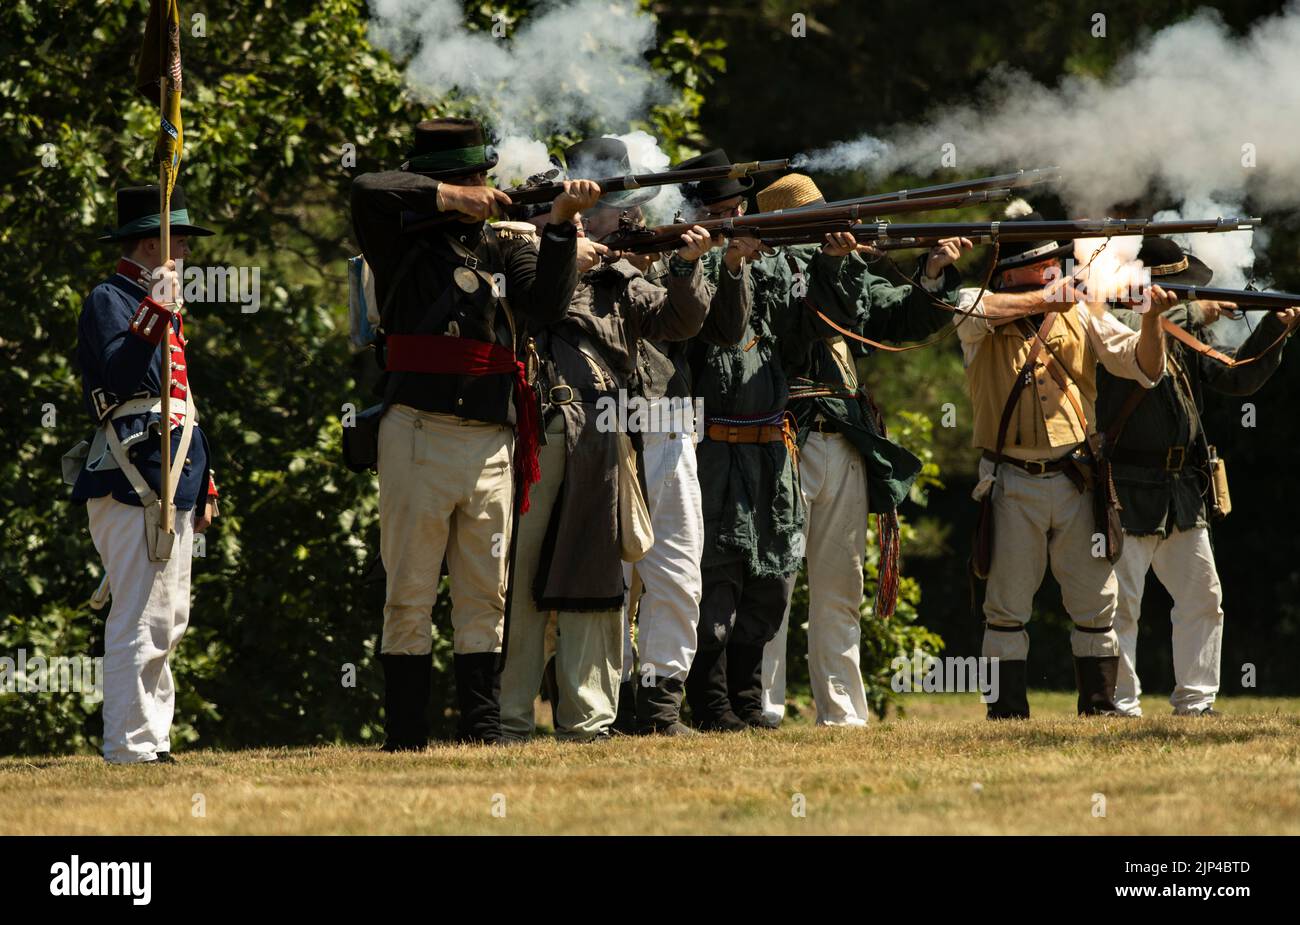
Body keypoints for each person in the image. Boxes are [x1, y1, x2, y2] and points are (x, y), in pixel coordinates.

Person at [351, 118, 597, 748]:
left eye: (481, 179)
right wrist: (450, 199)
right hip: (418, 431)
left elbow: (545, 306)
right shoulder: (399, 239)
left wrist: (564, 223)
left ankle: (483, 733)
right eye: (468, 180)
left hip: (491, 438)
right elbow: (369, 187)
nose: (481, 188)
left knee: (485, 595)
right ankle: (405, 736)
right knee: (408, 591)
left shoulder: (500, 246)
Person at [498, 136, 751, 741]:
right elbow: (541, 303)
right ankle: (508, 718)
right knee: (527, 579)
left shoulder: (618, 267)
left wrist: (691, 266)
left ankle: (596, 716)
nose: (632, 213)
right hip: (551, 429)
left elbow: (682, 322)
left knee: (603, 579)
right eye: (618, 200)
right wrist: (569, 248)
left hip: (615, 434)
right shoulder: (529, 253)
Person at [754, 173, 966, 727]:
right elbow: (800, 329)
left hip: (843, 438)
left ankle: (843, 712)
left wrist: (933, 272)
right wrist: (828, 265)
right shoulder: (767, 271)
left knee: (841, 584)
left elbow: (900, 317)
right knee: (774, 579)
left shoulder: (846, 267)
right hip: (786, 436)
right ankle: (762, 707)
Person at [953, 200, 1176, 718]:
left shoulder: (1081, 311)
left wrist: (1152, 321)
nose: (1061, 266)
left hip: (1076, 479)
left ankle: (1098, 708)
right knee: (1005, 608)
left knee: (1097, 603)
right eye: (1049, 261)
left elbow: (1143, 370)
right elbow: (968, 309)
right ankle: (1005, 713)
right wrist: (1043, 300)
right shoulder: (981, 307)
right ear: (1023, 270)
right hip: (1011, 479)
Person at [1097, 237, 1300, 716]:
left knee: (1204, 597)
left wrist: (1275, 326)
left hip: (1181, 490)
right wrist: (1197, 313)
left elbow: (1235, 378)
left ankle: (1196, 700)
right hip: (1125, 486)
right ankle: (1120, 705)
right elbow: (1145, 333)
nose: (1190, 297)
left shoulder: (1184, 329)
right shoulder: (1111, 321)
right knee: (1121, 606)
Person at [71, 183, 219, 764]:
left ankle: (151, 740)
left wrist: (203, 482)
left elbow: (181, 405)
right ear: (149, 243)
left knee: (167, 617)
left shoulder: (157, 302)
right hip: (131, 475)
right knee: (139, 615)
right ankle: (129, 746)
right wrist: (155, 311)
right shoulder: (112, 297)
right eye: (176, 238)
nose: (184, 249)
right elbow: (122, 374)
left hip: (169, 475)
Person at [613, 147, 757, 735]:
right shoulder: (590, 259)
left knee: (677, 570)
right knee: (616, 579)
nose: (632, 221)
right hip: (610, 422)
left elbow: (725, 331)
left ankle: (660, 705)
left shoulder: (678, 251)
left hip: (671, 418)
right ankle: (615, 703)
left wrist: (724, 263)